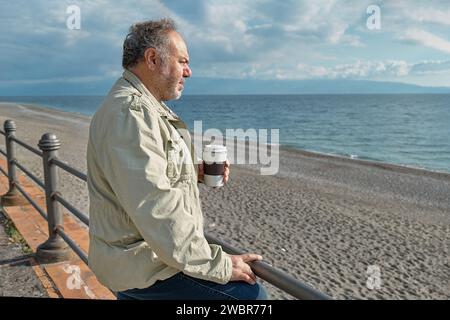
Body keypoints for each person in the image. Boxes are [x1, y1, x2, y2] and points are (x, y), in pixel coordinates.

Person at [86, 18, 268, 300]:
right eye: (182, 61)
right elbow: (156, 207)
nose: (189, 71)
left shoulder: (142, 107)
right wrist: (216, 264)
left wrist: (192, 171)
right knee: (253, 297)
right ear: (153, 59)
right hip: (145, 265)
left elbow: (142, 177)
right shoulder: (131, 113)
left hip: (136, 260)